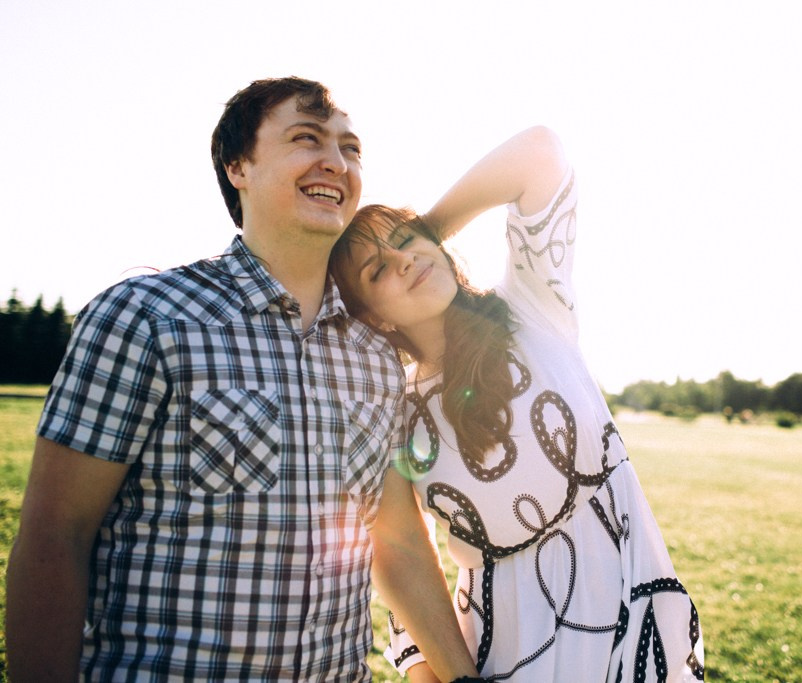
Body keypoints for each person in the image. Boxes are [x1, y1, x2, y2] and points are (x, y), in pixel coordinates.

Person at [5, 77, 479, 682]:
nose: (335, 162)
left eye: (350, 148)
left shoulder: (378, 356)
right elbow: (55, 536)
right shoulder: (147, 316)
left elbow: (400, 545)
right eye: (306, 138)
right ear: (238, 167)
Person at [330, 126, 706, 682]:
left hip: (636, 618)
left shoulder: (532, 303)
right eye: (378, 270)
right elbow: (404, 556)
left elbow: (538, 153)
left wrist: (427, 226)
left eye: (408, 241)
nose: (404, 261)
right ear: (372, 317)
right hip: (506, 648)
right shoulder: (393, 410)